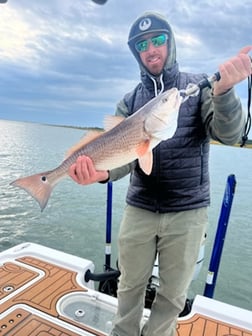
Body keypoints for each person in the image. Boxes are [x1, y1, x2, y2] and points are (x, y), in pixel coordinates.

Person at [68, 12, 252, 336]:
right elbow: (124, 157)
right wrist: (100, 175)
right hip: (139, 208)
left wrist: (224, 94)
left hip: (187, 211)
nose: (151, 49)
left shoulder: (197, 89)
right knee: (128, 286)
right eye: (142, 45)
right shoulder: (129, 101)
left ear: (171, 43)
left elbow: (230, 133)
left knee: (171, 296)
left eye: (158, 40)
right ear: (136, 53)